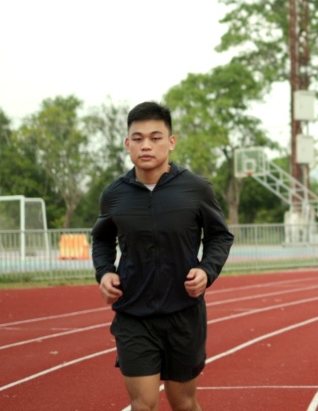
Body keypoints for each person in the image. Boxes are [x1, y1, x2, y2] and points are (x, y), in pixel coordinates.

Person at [92, 101, 234, 411]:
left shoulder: (196, 189)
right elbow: (101, 239)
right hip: (134, 313)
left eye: (155, 137)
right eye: (138, 138)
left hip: (183, 313)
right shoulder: (114, 194)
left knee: (183, 402)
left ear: (171, 142)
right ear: (128, 143)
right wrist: (104, 272)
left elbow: (220, 235)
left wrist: (207, 271)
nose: (146, 145)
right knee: (143, 404)